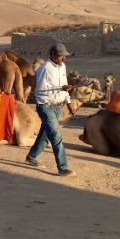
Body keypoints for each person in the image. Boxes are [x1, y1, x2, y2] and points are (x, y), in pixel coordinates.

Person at [25, 43, 76, 176]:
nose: (63, 59)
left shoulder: (62, 66)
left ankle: (31, 156)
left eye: (64, 56)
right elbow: (39, 90)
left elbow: (64, 85)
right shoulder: (45, 69)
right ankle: (63, 167)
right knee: (56, 135)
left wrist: (68, 101)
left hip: (58, 106)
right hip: (45, 106)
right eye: (61, 56)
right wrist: (60, 88)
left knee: (45, 134)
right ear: (53, 55)